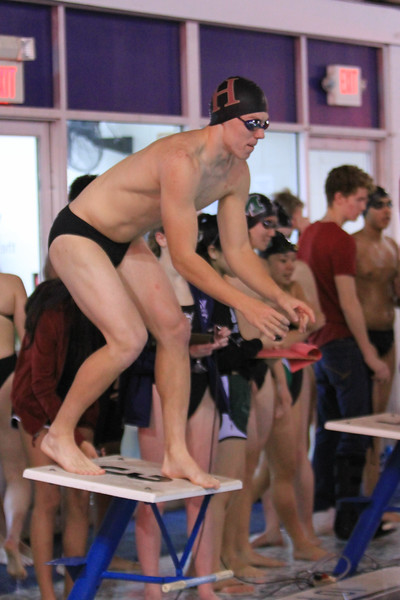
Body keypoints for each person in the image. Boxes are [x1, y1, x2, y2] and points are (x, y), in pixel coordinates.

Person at [41, 75, 314, 483]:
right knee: (129, 339)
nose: (259, 135)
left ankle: (176, 454)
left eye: (265, 125)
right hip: (79, 232)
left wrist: (277, 296)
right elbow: (185, 258)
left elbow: (238, 251)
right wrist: (247, 303)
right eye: (251, 123)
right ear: (224, 118)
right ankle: (59, 434)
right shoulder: (182, 160)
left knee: (174, 331)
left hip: (124, 239)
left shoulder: (237, 173)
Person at [297, 164, 390, 540]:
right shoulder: (339, 238)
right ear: (340, 196)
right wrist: (370, 354)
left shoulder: (309, 236)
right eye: (360, 200)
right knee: (356, 429)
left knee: (328, 430)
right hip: (340, 341)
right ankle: (350, 517)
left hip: (318, 345)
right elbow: (349, 302)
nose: (363, 208)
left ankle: (325, 509)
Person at [12, 279, 103, 600]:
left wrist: (83, 433)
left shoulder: (103, 309)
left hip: (77, 405)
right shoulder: (54, 308)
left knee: (78, 502)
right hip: (37, 406)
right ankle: (48, 594)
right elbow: (40, 383)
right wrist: (75, 437)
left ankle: (74, 592)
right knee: (48, 500)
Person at [353, 186, 400, 495]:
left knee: (381, 423)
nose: (386, 211)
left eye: (389, 205)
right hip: (361, 339)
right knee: (364, 422)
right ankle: (362, 496)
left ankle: (374, 496)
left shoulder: (393, 246)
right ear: (365, 209)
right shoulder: (353, 245)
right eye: (379, 205)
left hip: (387, 335)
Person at [0, 273, 31, 579]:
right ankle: (13, 537)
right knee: (15, 472)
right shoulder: (10, 283)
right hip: (6, 375)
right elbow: (28, 340)